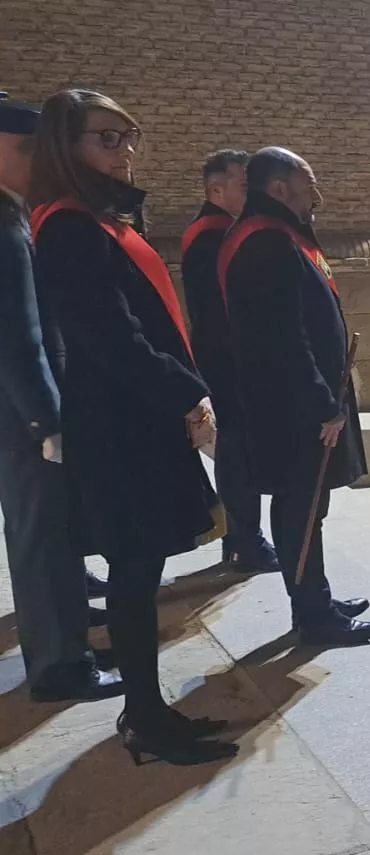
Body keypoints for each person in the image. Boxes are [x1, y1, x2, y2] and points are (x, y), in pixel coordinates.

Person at [29, 89, 235, 765]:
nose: (124, 152)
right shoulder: (66, 225)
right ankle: (144, 715)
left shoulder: (98, 218)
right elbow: (109, 339)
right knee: (133, 569)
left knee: (140, 568)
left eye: (127, 137)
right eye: (105, 139)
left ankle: (145, 708)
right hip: (121, 425)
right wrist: (188, 395)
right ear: (66, 146)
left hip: (136, 417)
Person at [220, 148, 370, 646]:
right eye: (309, 182)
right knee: (302, 506)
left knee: (305, 506)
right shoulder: (265, 242)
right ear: (279, 189)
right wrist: (322, 406)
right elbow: (282, 339)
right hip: (293, 408)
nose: (318, 194)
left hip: (293, 402)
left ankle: (316, 596)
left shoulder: (278, 236)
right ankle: (313, 617)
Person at [0, 93, 118, 703]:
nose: (35, 160)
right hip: (25, 417)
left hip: (20, 411)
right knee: (44, 539)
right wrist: (48, 418)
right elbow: (18, 336)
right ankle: (58, 667)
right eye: (23, 149)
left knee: (49, 534)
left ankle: (66, 643)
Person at [180, 149, 278, 574]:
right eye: (243, 182)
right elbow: (222, 310)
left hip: (227, 357)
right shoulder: (212, 235)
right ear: (215, 190)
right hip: (228, 359)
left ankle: (242, 539)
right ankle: (243, 542)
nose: (251, 190)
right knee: (237, 452)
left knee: (240, 450)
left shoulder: (219, 231)